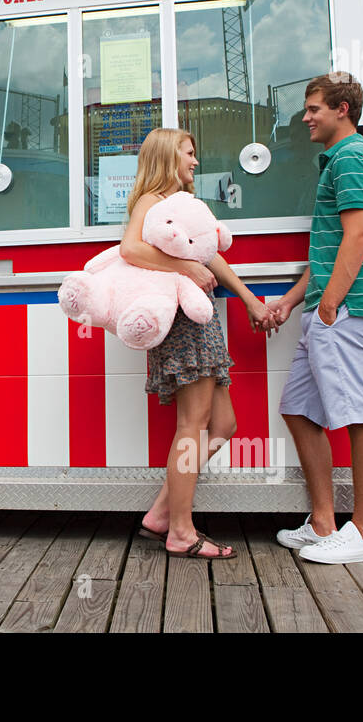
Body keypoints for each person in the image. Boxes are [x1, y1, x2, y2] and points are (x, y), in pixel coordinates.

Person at [119, 128, 272, 559]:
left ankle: (161, 514)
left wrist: (248, 300)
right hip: (184, 324)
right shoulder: (152, 201)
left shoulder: (180, 205)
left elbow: (211, 256)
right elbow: (129, 249)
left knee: (222, 426)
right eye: (189, 154)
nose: (195, 162)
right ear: (169, 157)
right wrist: (185, 267)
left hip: (201, 325)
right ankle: (181, 532)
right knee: (192, 427)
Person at [265, 72, 363, 563]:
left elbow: (359, 235)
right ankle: (323, 524)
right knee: (298, 408)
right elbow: (331, 250)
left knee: (359, 415)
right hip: (329, 307)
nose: (305, 117)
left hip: (346, 309)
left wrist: (332, 302)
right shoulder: (338, 160)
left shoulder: (353, 158)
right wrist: (296, 299)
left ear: (343, 108)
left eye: (314, 107)